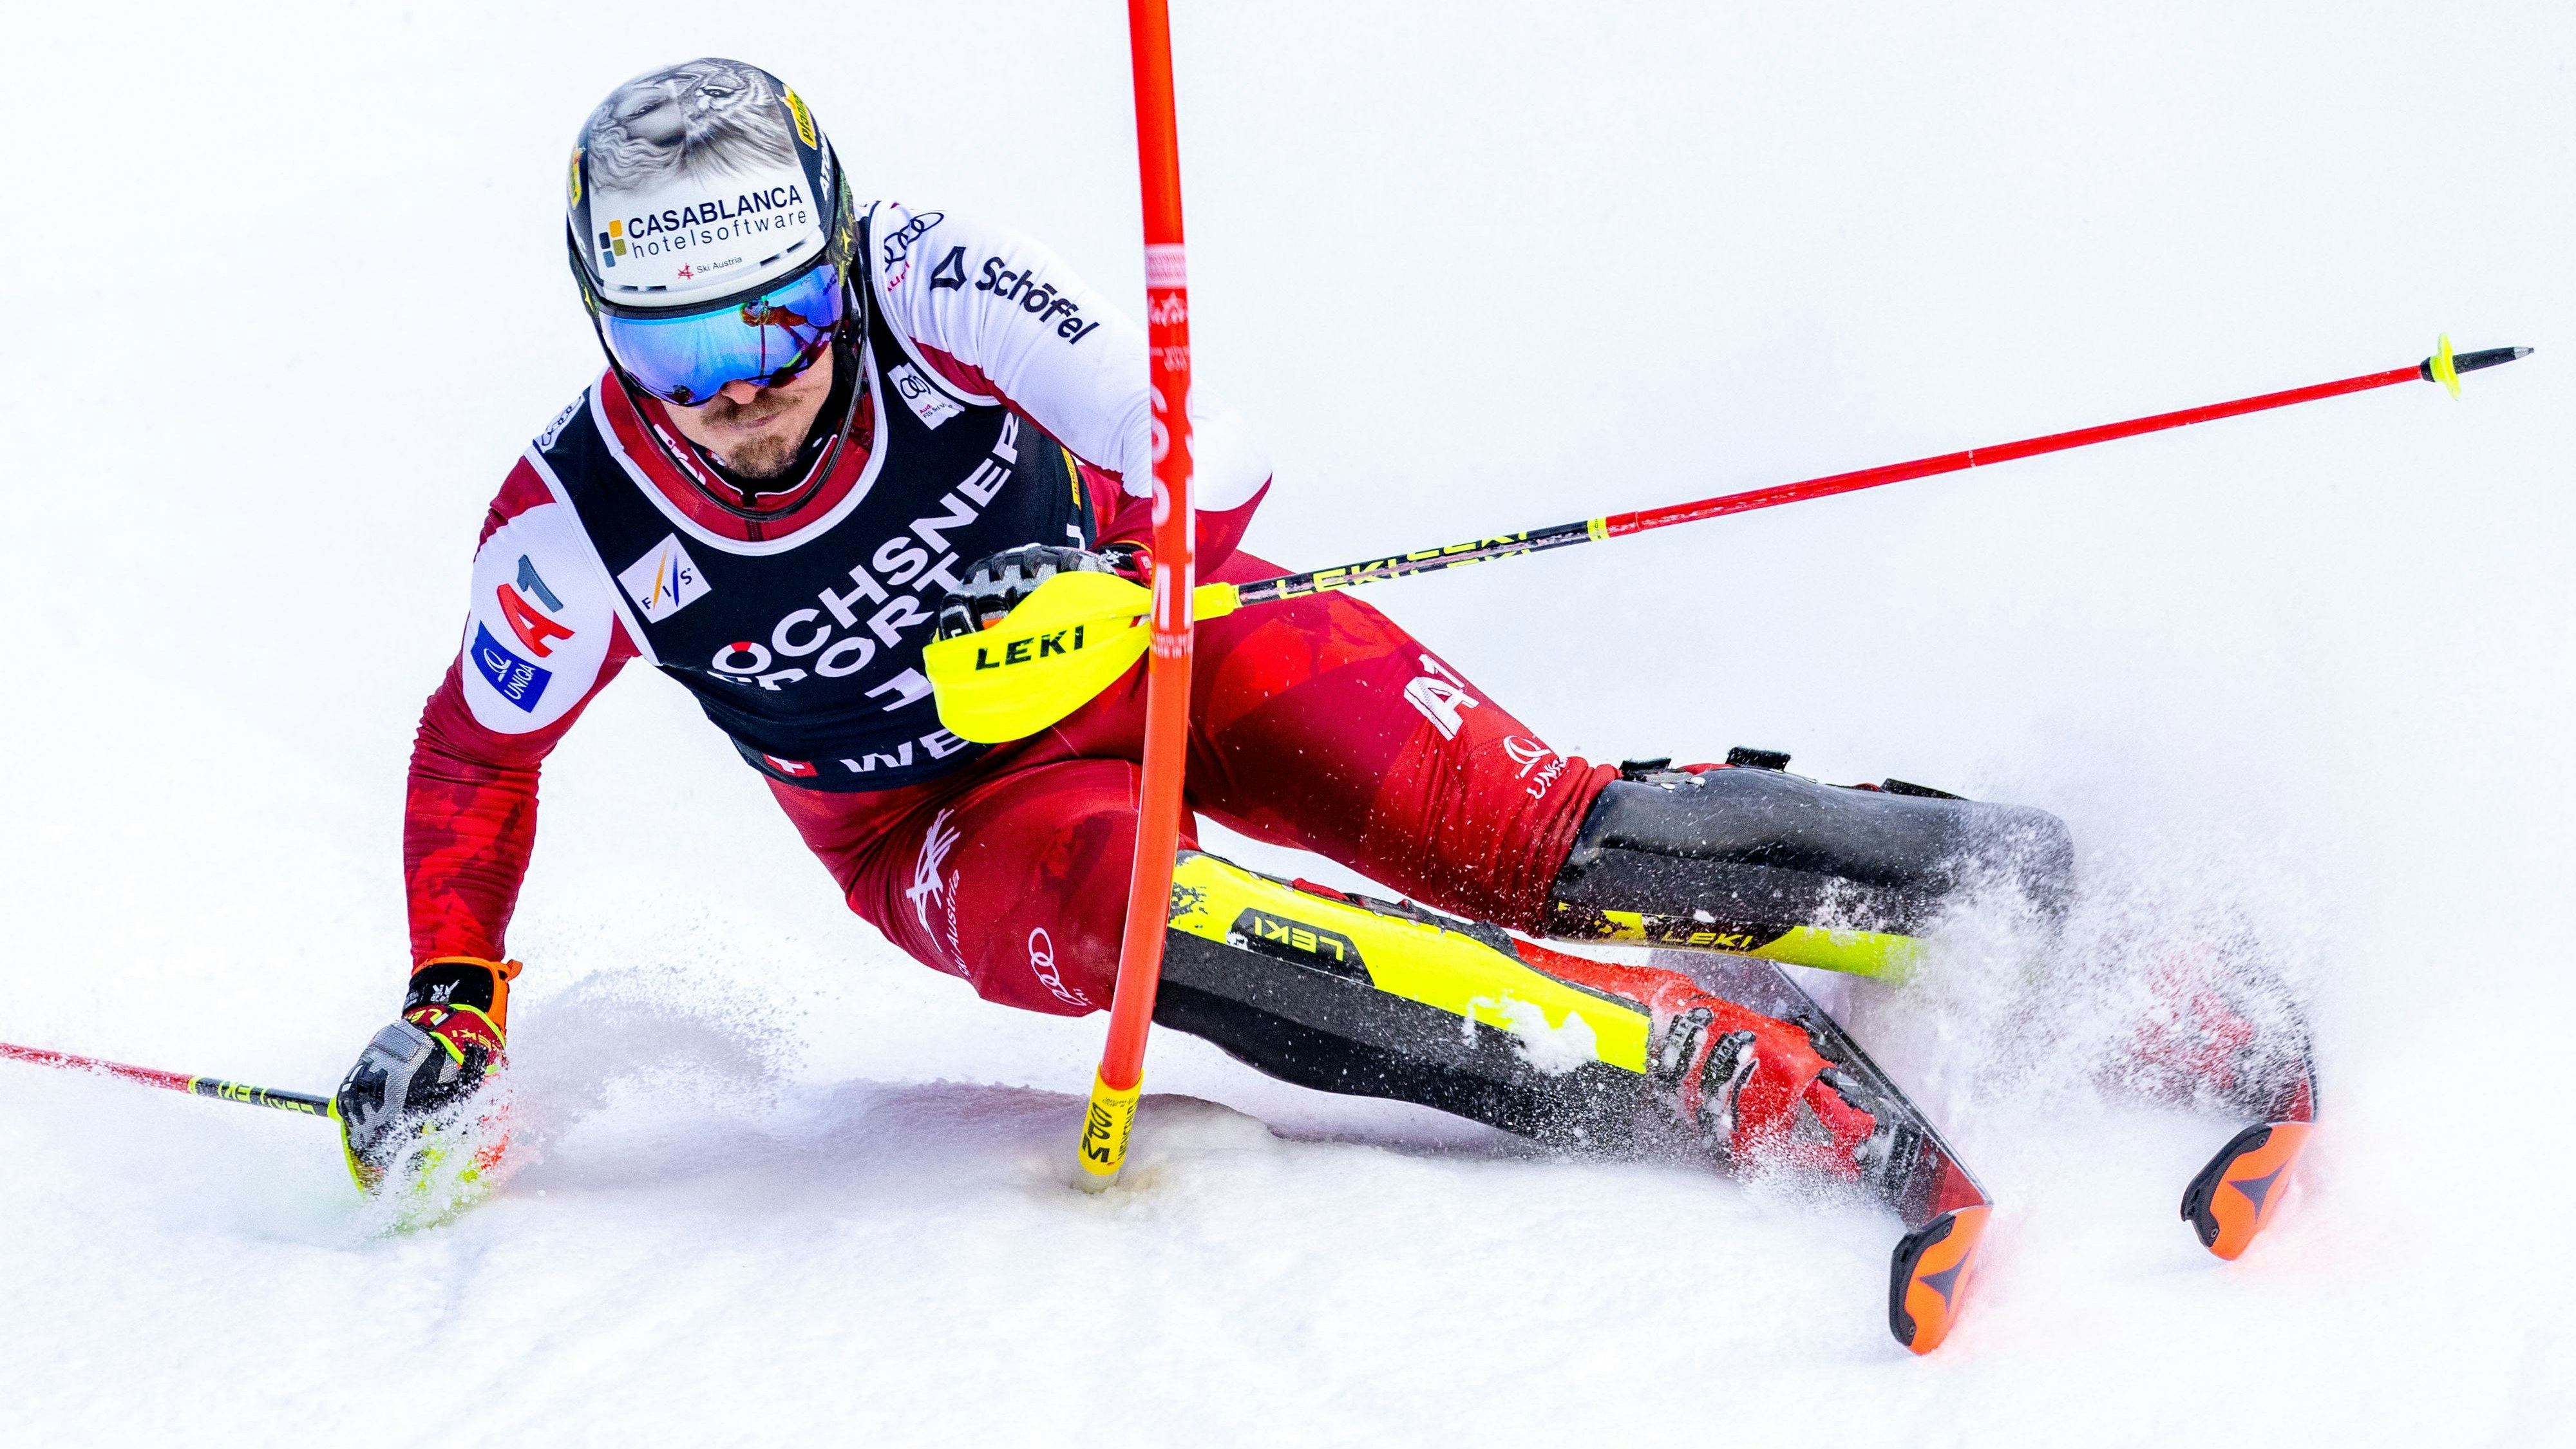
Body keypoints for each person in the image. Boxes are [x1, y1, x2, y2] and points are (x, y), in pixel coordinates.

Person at [333, 58, 2072, 1197]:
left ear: (838, 263)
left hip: (1164, 640)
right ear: (603, 333)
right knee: (1165, 917)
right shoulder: (575, 527)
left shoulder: (930, 280)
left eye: (781, 323)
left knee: (1533, 836)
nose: (750, 392)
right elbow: (475, 756)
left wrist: (1130, 569)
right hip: (956, 824)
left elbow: (1204, 448)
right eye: (679, 354)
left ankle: (2026, 891)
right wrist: (453, 999)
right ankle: (1707, 1069)